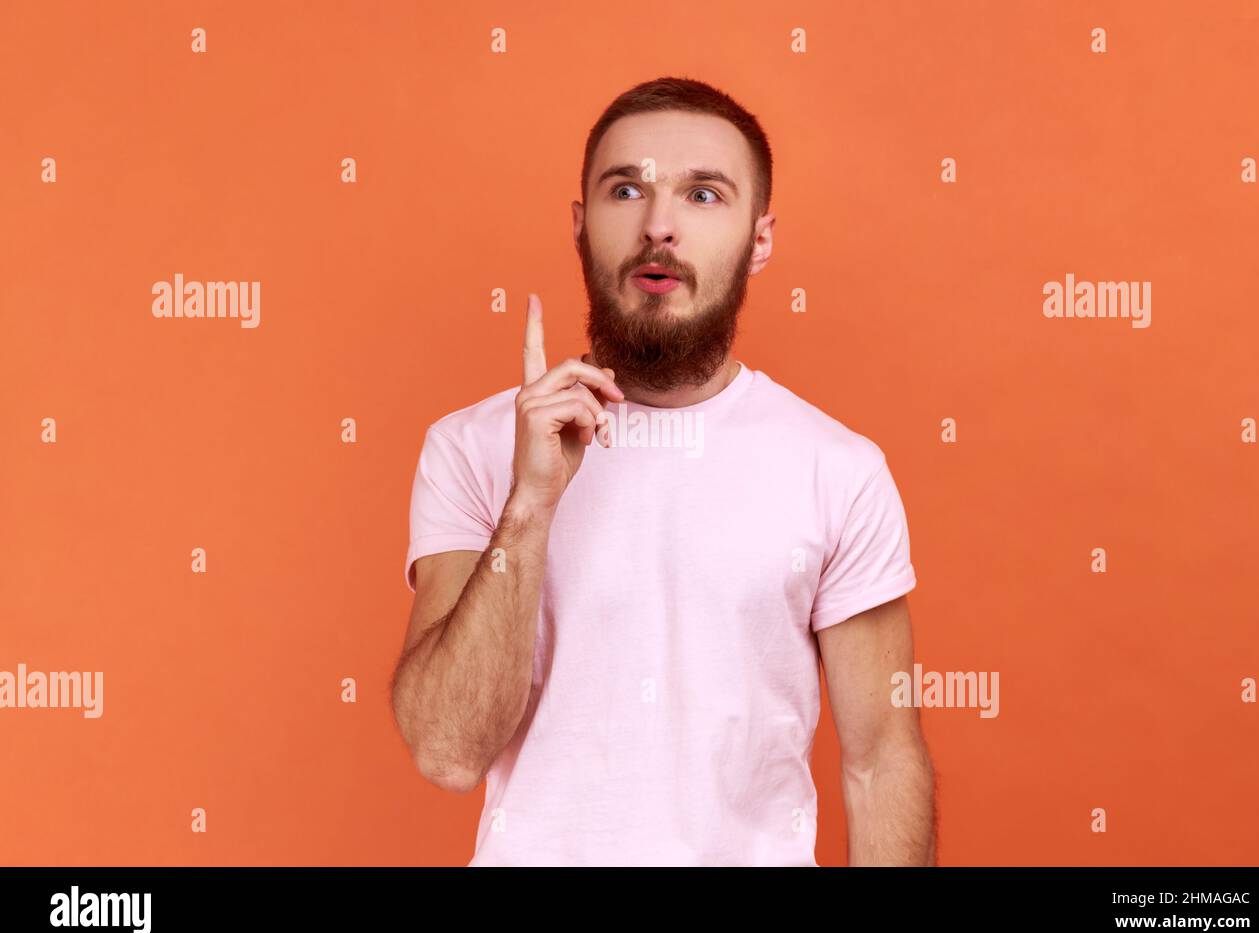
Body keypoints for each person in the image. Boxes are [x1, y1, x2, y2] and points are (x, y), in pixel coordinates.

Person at [390, 76, 935, 866]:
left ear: (760, 237)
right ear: (582, 226)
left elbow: (882, 759)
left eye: (704, 195)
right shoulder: (472, 448)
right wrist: (531, 503)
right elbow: (447, 752)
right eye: (626, 189)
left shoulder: (838, 469)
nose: (660, 227)